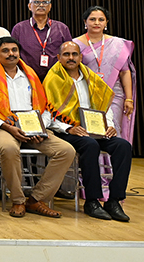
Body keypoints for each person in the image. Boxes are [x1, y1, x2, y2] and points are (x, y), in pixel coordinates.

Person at [0, 36, 75, 218]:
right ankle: (18, 200)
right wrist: (8, 127)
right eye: (5, 51)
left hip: (33, 128)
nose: (11, 54)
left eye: (14, 50)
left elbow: (44, 108)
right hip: (1, 128)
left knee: (66, 151)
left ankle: (36, 199)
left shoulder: (30, 76)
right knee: (9, 148)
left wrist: (39, 127)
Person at [43, 41, 132, 221]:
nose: (71, 58)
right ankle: (92, 201)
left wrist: (109, 125)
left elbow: (104, 106)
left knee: (123, 146)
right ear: (59, 57)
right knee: (90, 145)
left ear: (80, 57)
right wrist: (69, 128)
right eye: (66, 54)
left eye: (74, 54)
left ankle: (114, 201)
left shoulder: (91, 77)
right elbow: (47, 113)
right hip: (67, 131)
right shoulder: (52, 79)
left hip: (95, 129)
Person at [73, 5, 136, 145]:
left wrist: (129, 99)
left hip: (114, 95)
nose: (97, 23)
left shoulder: (118, 44)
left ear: (106, 22)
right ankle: (94, 159)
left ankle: (113, 159)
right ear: (85, 21)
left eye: (101, 19)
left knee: (112, 130)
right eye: (92, 19)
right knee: (90, 132)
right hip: (86, 95)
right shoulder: (75, 44)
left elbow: (125, 71)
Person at [10, 0, 72, 81]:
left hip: (57, 78)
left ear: (50, 6)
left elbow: (70, 53)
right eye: (37, 2)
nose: (41, 5)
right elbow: (13, 53)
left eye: (45, 2)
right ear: (30, 6)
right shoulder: (19, 28)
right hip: (26, 78)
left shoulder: (62, 28)